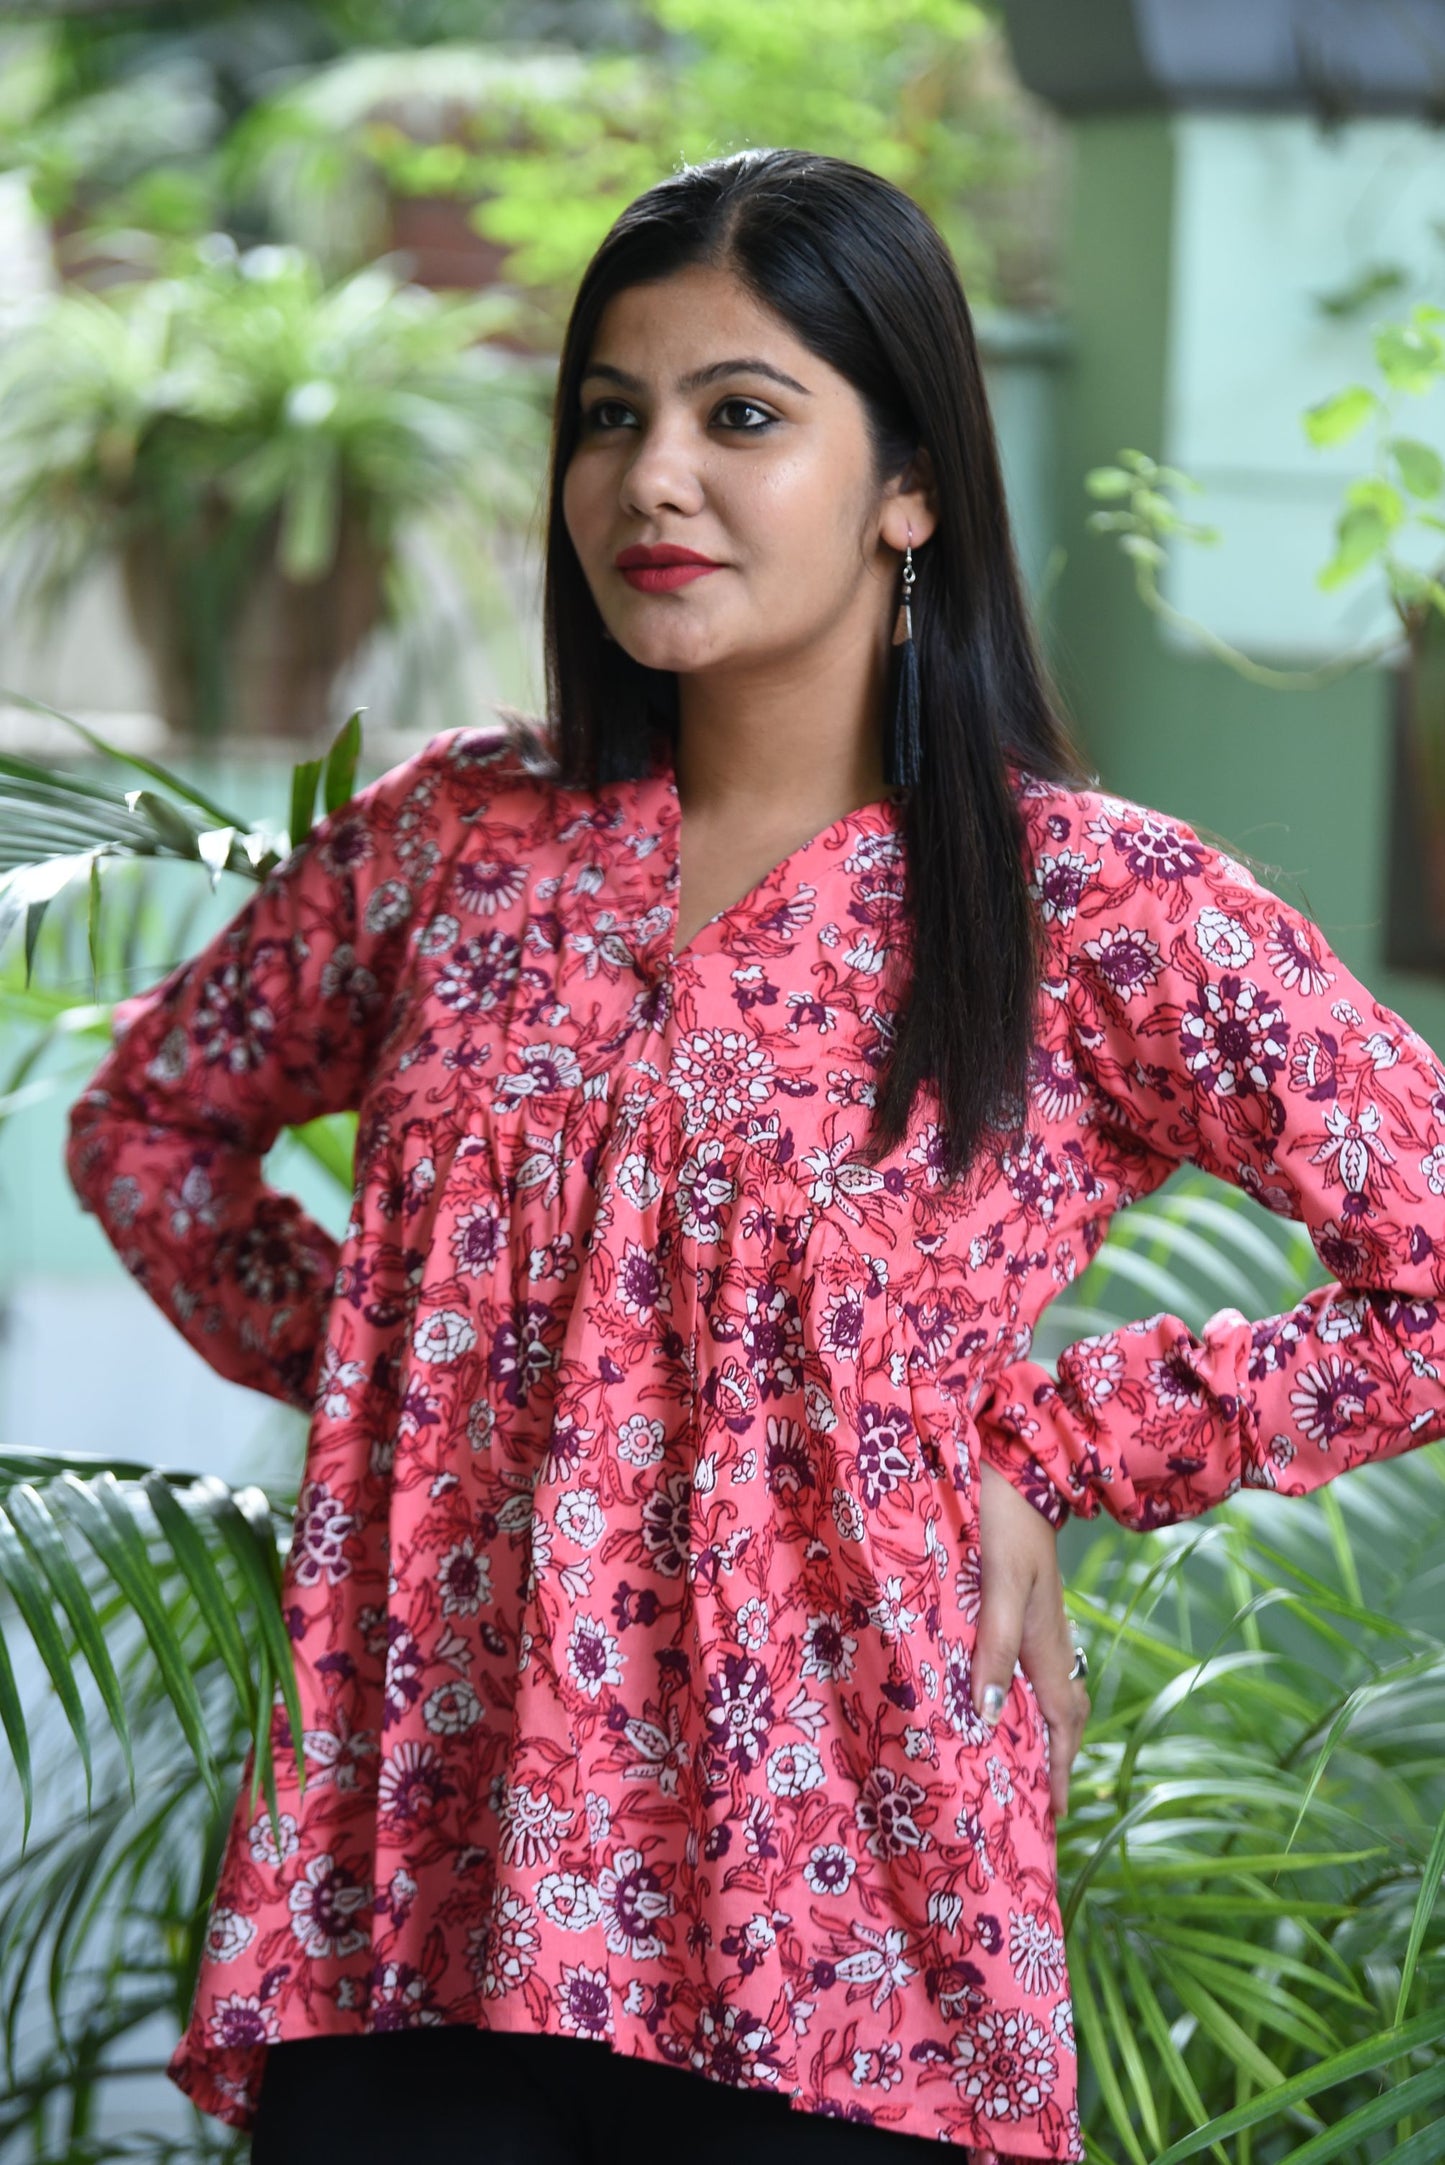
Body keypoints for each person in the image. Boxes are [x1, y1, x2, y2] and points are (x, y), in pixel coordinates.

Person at [63, 146, 1445, 2165]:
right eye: (609, 418)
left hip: (851, 1970)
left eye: (743, 415)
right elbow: (154, 1131)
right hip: (417, 1941)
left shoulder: (1091, 908)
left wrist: (1035, 1448)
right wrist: (412, 1371)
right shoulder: (453, 853)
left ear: (913, 488)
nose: (653, 482)